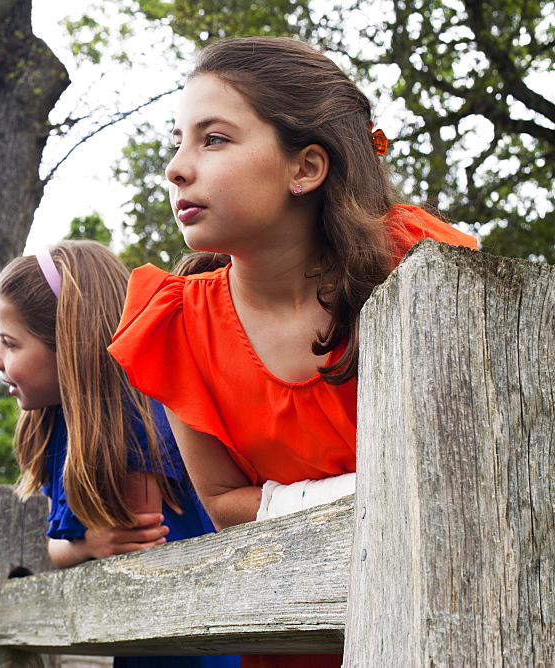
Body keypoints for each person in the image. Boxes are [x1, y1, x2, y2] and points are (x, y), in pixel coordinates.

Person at [107, 37, 478, 668]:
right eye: (177, 141)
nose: (176, 166)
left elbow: (478, 462)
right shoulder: (176, 323)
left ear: (305, 168)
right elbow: (224, 504)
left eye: (214, 139)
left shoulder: (417, 265)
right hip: (295, 636)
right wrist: (374, 499)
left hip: (455, 620)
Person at [0, 239, 240, 668]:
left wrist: (86, 545)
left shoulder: (131, 412)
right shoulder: (57, 425)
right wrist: (86, 543)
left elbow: (140, 545)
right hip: (144, 638)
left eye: (10, 343)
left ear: (67, 344)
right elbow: (63, 546)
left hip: (197, 633)